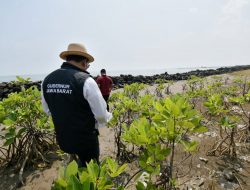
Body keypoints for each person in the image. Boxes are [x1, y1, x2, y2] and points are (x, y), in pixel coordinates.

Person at [41, 43, 112, 167]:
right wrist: (107, 118)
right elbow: (101, 115)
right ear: (84, 62)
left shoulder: (47, 80)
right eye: (88, 65)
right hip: (85, 139)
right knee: (90, 168)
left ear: (68, 59)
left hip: (63, 137)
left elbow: (46, 109)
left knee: (77, 162)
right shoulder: (86, 80)